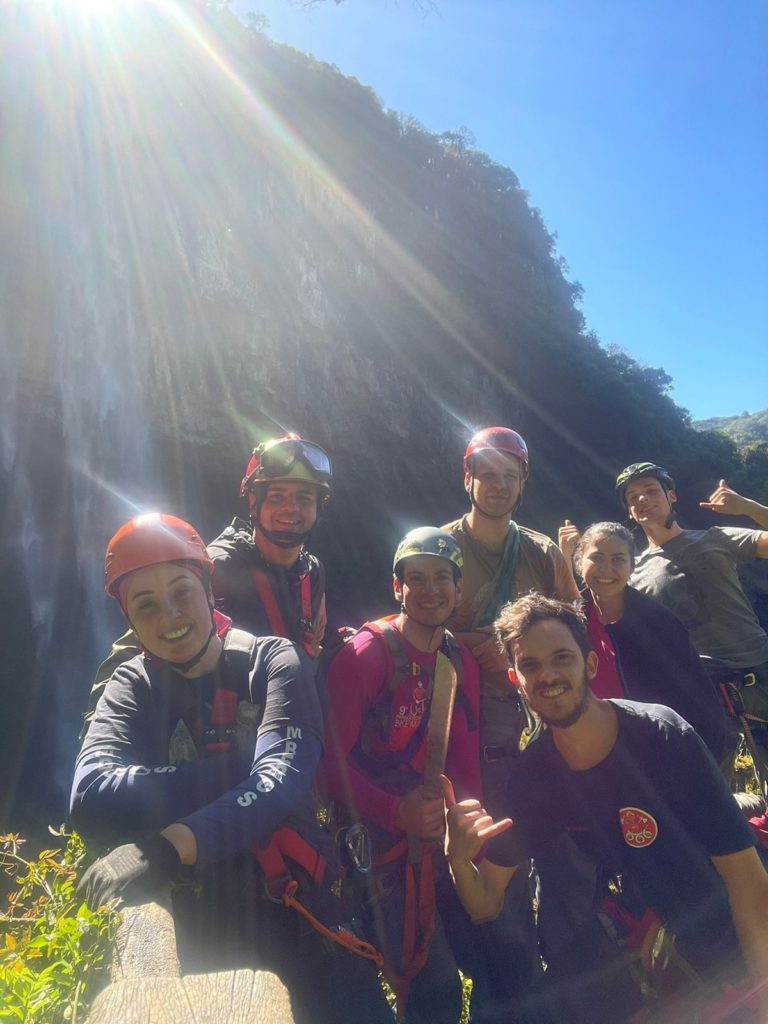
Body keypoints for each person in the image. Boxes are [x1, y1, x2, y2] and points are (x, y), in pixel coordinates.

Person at [71, 513, 391, 1024]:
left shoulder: (272, 660)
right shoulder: (130, 684)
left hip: (301, 911)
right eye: (145, 604)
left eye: (181, 592)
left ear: (207, 589)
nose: (169, 616)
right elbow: (90, 795)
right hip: (207, 925)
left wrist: (168, 845)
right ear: (129, 618)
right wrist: (243, 770)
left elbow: (283, 779)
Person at [444, 594, 768, 1023]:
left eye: (562, 658)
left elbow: (746, 882)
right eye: (531, 665)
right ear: (515, 679)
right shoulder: (536, 774)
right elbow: (484, 904)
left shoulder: (661, 736)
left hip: (728, 927)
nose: (548, 675)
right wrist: (457, 857)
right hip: (641, 939)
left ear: (590, 664)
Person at [441, 427, 578, 1021]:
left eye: (509, 476)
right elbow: (423, 630)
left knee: (566, 848)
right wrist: (491, 645)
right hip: (478, 728)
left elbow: (571, 625)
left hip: (544, 716)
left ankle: (572, 970)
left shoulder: (543, 551)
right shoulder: (441, 546)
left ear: (522, 483)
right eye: (487, 475)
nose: (497, 486)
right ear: (467, 478)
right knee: (504, 857)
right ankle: (517, 992)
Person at [323, 527, 481, 1024]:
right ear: (398, 588)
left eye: (442, 579)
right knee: (426, 979)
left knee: (470, 959)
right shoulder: (366, 658)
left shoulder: (456, 656)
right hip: (376, 845)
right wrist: (397, 812)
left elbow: (461, 748)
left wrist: (463, 819)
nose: (430, 590)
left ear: (459, 591)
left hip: (432, 837)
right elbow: (327, 761)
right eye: (416, 579)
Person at [80, 433, 330, 739]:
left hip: (291, 719)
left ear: (319, 505)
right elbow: (142, 638)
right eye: (276, 496)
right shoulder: (218, 567)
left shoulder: (311, 571)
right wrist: (100, 728)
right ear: (254, 501)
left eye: (303, 498)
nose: (290, 508)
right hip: (229, 737)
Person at [557, 519, 727, 758]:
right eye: (596, 558)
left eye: (618, 559)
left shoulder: (657, 623)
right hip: (590, 749)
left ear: (631, 565)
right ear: (579, 562)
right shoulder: (573, 621)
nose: (606, 568)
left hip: (652, 752)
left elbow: (696, 699)